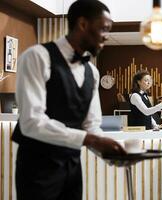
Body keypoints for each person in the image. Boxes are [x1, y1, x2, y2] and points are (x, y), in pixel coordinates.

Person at [12, 1, 126, 200]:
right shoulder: (37, 57)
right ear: (82, 24)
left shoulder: (93, 71)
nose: (107, 36)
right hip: (37, 168)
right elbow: (31, 122)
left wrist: (113, 154)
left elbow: (91, 126)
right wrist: (92, 140)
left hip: (73, 167)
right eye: (104, 29)